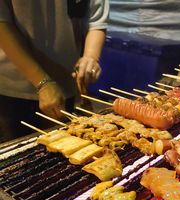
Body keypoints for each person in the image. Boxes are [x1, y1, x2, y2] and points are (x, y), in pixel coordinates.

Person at [0, 0, 109, 143]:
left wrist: (91, 57)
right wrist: (43, 82)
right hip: (14, 87)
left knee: (65, 149)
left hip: (66, 84)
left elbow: (96, 21)